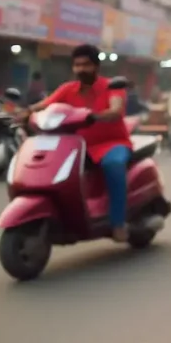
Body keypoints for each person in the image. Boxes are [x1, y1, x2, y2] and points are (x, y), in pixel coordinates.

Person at [24, 45, 132, 242]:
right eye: (77, 65)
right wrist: (24, 113)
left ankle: (118, 223)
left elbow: (116, 110)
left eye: (86, 65)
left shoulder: (112, 87)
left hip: (111, 143)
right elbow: (44, 106)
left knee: (113, 165)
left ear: (96, 67)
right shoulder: (67, 89)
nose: (81, 69)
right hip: (77, 145)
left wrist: (96, 116)